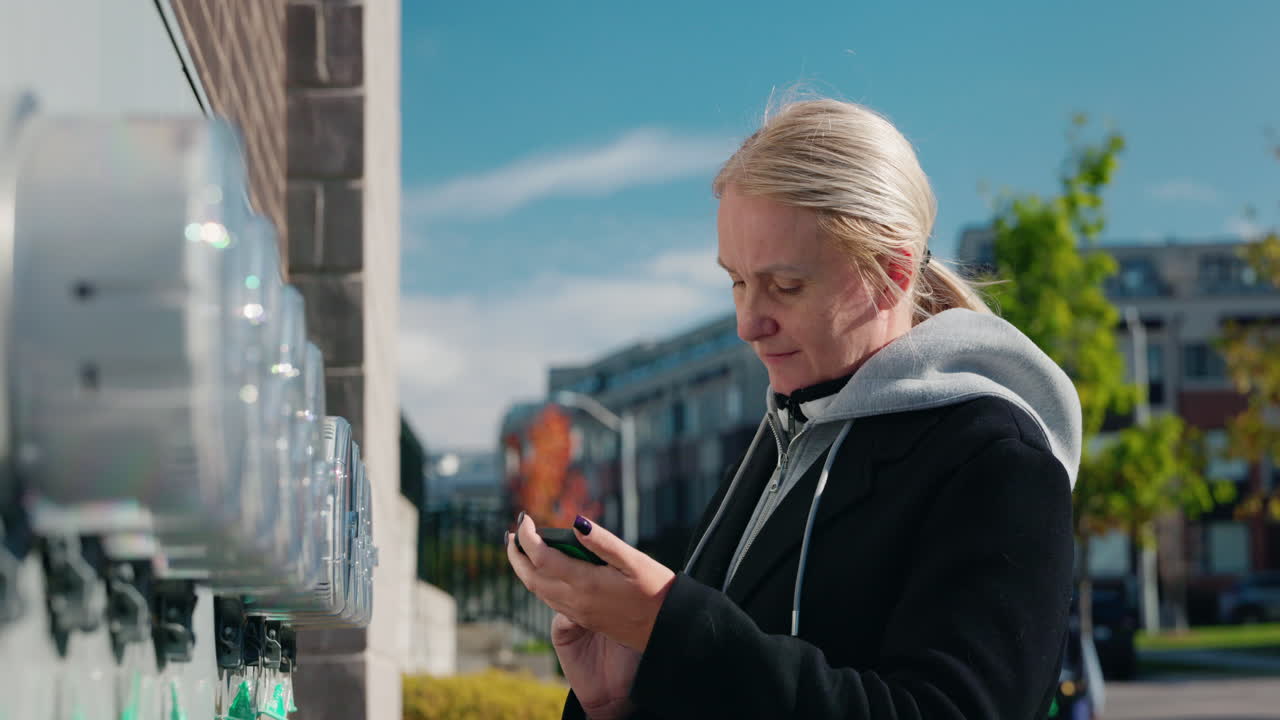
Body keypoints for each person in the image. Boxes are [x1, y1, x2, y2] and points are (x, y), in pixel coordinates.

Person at [506, 97, 1081, 720]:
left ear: (891, 274)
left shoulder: (995, 459)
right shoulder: (775, 448)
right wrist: (620, 700)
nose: (749, 323)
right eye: (736, 281)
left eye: (785, 286)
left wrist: (677, 628)